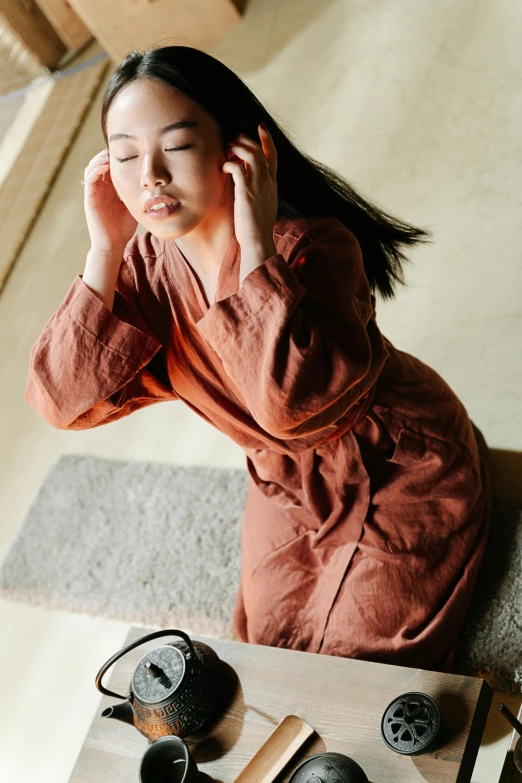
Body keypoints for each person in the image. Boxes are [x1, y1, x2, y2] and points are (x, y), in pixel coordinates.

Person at [24, 45, 491, 673]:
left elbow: (296, 408)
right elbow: (61, 399)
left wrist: (253, 247)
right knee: (267, 654)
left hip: (399, 462)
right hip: (284, 484)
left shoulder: (313, 248)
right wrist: (103, 249)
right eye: (127, 155)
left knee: (360, 664)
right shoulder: (142, 270)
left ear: (237, 148)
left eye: (177, 145)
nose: (150, 177)